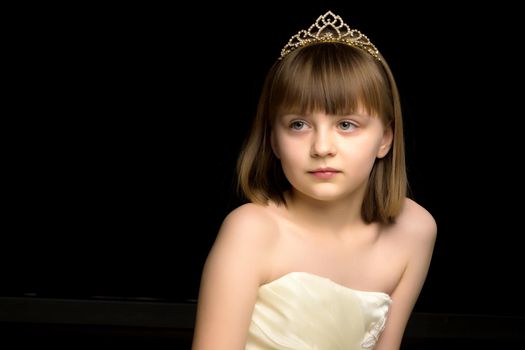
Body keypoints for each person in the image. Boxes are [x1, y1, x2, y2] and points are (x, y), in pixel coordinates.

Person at [192, 11, 436, 350]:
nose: (322, 148)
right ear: (273, 140)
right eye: (298, 125)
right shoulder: (251, 231)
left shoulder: (415, 229)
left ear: (385, 139)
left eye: (346, 125)